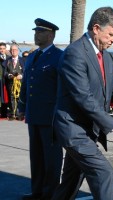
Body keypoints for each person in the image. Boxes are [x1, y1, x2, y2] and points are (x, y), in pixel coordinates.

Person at [51, 7, 113, 200]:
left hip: (89, 132)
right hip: (73, 129)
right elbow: (84, 98)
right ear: (96, 28)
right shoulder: (75, 53)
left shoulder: (106, 56)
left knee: (71, 183)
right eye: (112, 34)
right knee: (104, 173)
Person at [18, 18, 63, 200]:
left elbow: (62, 88)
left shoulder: (59, 56)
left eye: (40, 32)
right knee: (36, 157)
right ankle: (37, 191)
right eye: (35, 31)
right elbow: (26, 83)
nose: (36, 34)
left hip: (51, 117)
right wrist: (22, 106)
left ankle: (50, 194)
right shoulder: (33, 56)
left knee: (51, 159)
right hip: (34, 115)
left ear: (50, 34)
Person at [3, 44, 24, 120]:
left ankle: (19, 114)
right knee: (11, 98)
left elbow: (26, 72)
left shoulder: (23, 60)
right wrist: (9, 75)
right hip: (11, 83)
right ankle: (12, 114)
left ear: (18, 51)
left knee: (20, 98)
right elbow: (4, 73)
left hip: (20, 83)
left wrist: (21, 76)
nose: (13, 51)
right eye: (12, 50)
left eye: (15, 50)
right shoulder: (7, 61)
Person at [0, 42, 10, 118]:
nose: (2, 50)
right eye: (0, 49)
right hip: (0, 79)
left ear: (6, 49)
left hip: (7, 79)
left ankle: (5, 113)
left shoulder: (9, 58)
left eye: (3, 48)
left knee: (6, 96)